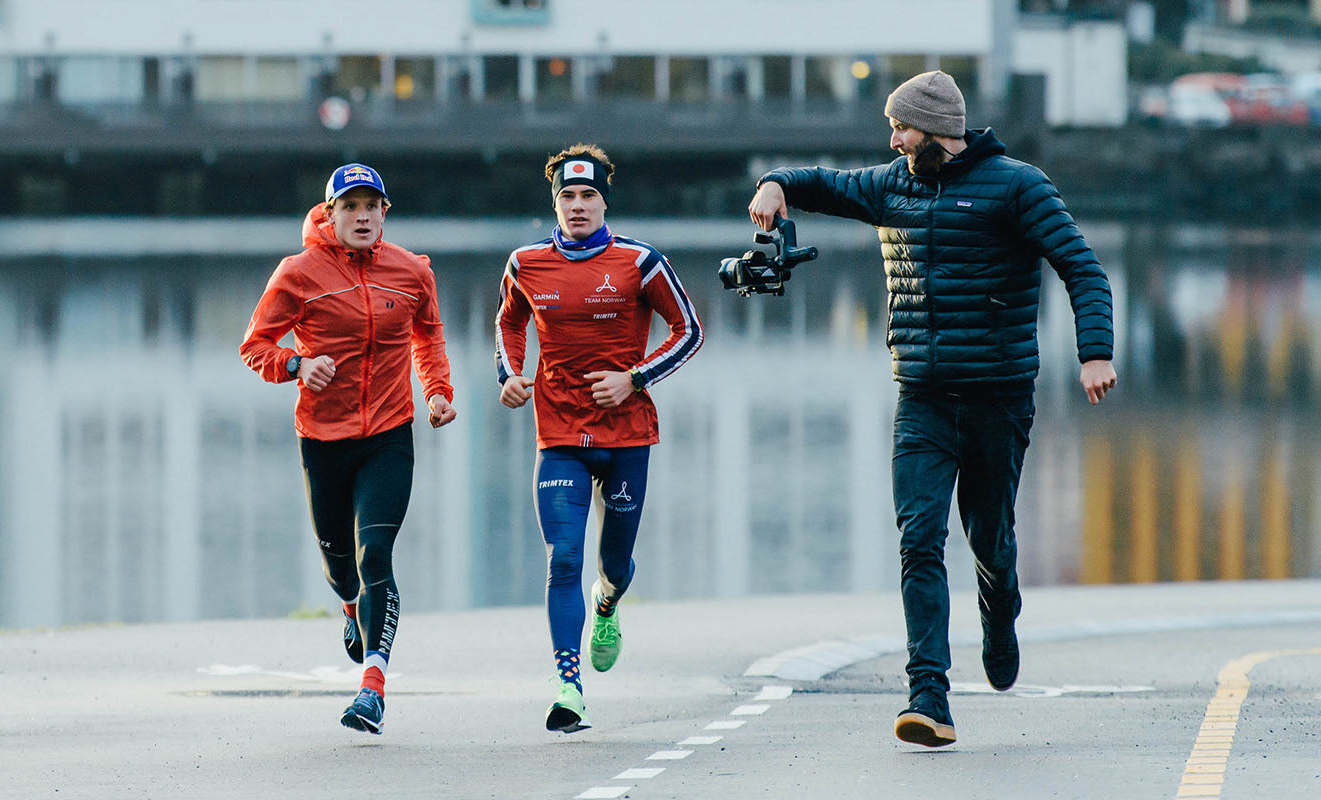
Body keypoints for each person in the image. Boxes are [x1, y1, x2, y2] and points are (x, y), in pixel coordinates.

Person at [748, 71, 1117, 748]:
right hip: (920, 396)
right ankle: (929, 697)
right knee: (919, 539)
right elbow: (825, 183)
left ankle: (999, 609)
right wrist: (777, 181)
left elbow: (1083, 268)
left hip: (998, 397)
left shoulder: (1017, 185)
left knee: (989, 540)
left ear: (938, 130)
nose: (891, 139)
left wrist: (1094, 352)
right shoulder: (893, 184)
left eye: (901, 128)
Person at [240, 163, 456, 735]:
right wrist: (296, 364)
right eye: (350, 207)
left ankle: (373, 690)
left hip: (389, 435)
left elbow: (427, 334)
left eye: (371, 206)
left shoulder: (410, 272)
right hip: (323, 440)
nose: (362, 217)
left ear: (385, 212)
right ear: (329, 214)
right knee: (341, 571)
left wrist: (437, 392)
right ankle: (347, 606)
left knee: (375, 557)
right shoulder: (298, 273)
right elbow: (255, 344)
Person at [496, 143, 704, 733]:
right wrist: (511, 374)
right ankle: (568, 686)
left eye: (588, 195)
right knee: (563, 557)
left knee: (613, 561)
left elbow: (689, 331)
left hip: (626, 433)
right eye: (568, 196)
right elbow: (509, 321)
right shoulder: (525, 263)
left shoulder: (641, 262)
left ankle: (607, 601)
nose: (578, 206)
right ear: (555, 203)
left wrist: (634, 378)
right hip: (558, 431)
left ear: (605, 201)